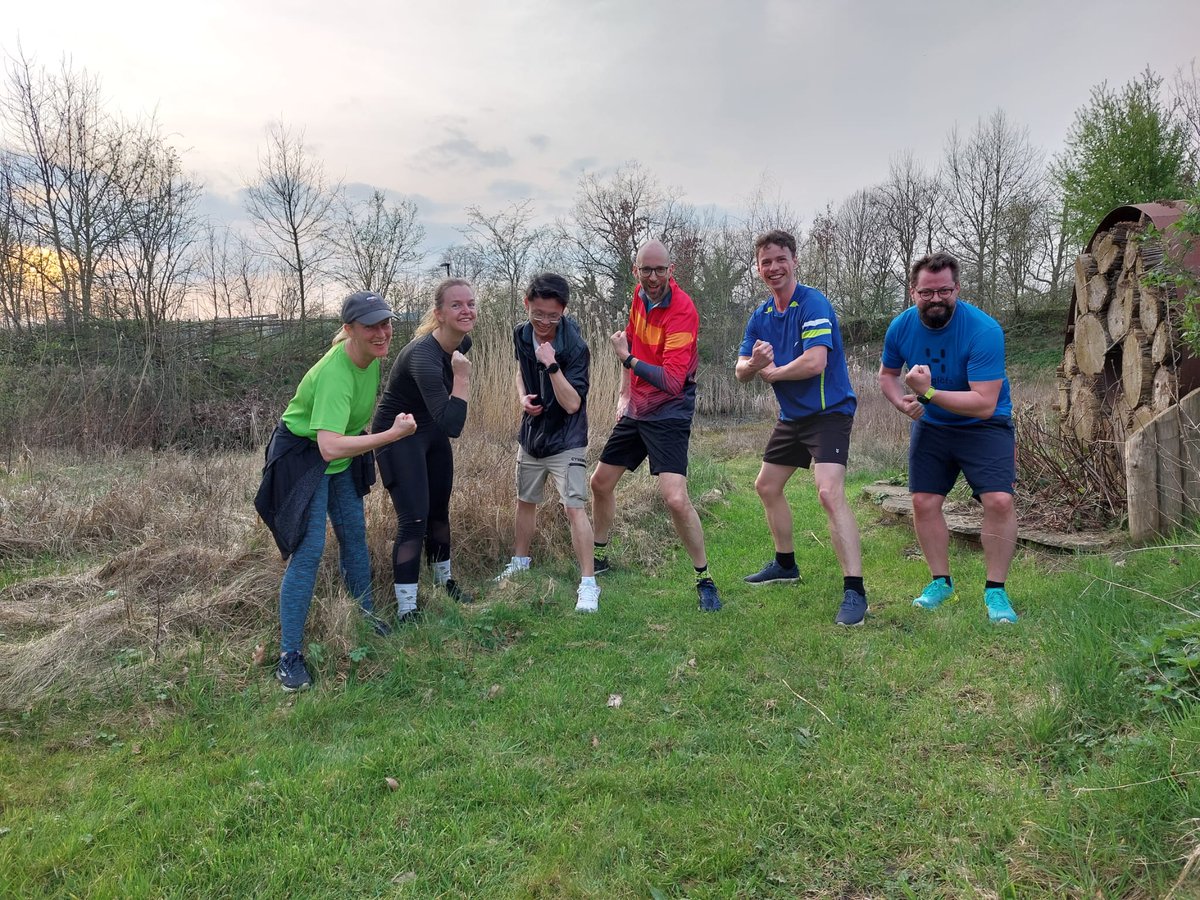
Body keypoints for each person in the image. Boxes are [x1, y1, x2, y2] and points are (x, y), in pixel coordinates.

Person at [254, 291, 417, 692]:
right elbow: (327, 444)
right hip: (305, 459)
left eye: (385, 323)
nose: (382, 333)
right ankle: (289, 654)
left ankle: (362, 616)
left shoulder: (371, 357)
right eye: (371, 327)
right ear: (349, 331)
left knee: (354, 538)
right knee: (308, 552)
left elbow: (345, 431)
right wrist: (390, 435)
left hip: (339, 458)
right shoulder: (335, 373)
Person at [735, 230, 868, 627]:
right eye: (765, 262)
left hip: (829, 413)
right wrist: (755, 364)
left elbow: (815, 362)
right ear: (758, 269)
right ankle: (785, 565)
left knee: (828, 493)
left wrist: (772, 373)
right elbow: (740, 372)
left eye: (780, 259)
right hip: (792, 418)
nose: (773, 268)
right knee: (766, 485)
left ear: (794, 261)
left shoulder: (813, 303)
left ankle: (855, 591)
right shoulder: (760, 316)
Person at [879, 251, 1019, 625]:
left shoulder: (983, 330)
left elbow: (984, 403)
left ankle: (996, 590)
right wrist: (901, 403)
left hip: (984, 427)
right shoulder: (901, 327)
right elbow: (888, 374)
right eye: (927, 293)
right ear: (913, 292)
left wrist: (926, 394)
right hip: (934, 427)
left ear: (957, 288)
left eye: (944, 291)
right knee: (923, 502)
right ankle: (940, 582)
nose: (936, 299)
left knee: (999, 500)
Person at [589, 240, 723, 612]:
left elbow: (672, 381)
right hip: (637, 408)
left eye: (659, 270)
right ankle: (599, 558)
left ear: (671, 270)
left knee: (675, 499)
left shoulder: (682, 311)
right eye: (645, 270)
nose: (652, 277)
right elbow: (631, 343)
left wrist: (628, 360)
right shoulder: (638, 297)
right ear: (636, 271)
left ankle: (704, 579)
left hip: (669, 411)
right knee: (599, 482)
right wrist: (623, 395)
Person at [494, 273, 600, 613]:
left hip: (566, 438)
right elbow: (518, 372)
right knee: (525, 500)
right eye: (537, 313)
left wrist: (551, 364)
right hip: (531, 436)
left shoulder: (575, 348)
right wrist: (523, 397)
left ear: (564, 311)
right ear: (527, 304)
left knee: (574, 507)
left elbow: (573, 404)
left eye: (552, 316)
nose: (543, 322)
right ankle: (520, 562)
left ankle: (588, 584)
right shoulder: (521, 333)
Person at [373, 278, 476, 622]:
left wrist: (457, 370)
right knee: (414, 519)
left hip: (429, 432)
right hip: (398, 434)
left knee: (439, 512)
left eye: (470, 304)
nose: (466, 310)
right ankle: (407, 608)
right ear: (439, 314)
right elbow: (454, 425)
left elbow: (442, 423)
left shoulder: (463, 343)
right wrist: (461, 378)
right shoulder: (423, 356)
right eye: (456, 305)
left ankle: (444, 582)